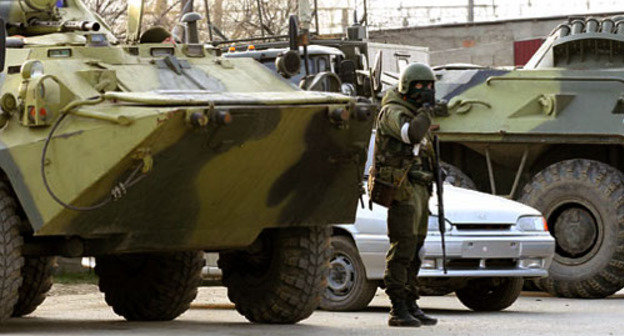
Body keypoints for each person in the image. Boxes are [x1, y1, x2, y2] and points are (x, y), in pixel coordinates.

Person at [373, 63, 439, 327]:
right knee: (403, 247)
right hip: (402, 188)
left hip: (419, 187)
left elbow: (423, 148)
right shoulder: (392, 112)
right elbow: (410, 134)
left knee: (417, 248)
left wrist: (435, 172)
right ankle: (397, 307)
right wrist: (425, 113)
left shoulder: (416, 112)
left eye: (430, 86)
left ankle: (411, 301)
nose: (426, 91)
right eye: (420, 86)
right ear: (407, 87)